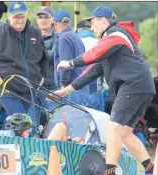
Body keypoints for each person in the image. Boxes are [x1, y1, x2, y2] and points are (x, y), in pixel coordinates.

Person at [50, 6, 155, 175]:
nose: (91, 28)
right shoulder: (110, 44)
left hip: (133, 85)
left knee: (113, 127)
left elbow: (92, 54)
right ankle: (150, 169)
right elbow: (93, 71)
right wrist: (66, 90)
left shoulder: (115, 34)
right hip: (143, 87)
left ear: (103, 20)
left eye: (92, 23)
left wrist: (70, 63)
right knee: (125, 132)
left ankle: (109, 171)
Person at [0, 1, 49, 137]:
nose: (19, 20)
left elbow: (45, 59)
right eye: (16, 17)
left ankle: (15, 154)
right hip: (8, 89)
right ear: (8, 16)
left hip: (30, 90)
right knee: (23, 126)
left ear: (26, 15)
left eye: (22, 17)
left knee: (26, 129)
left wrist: (42, 76)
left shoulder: (35, 32)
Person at [52, 9, 89, 106]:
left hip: (71, 88)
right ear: (69, 22)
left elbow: (65, 64)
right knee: (80, 120)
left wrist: (63, 86)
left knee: (70, 120)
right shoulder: (76, 36)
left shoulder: (63, 37)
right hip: (81, 86)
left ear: (55, 23)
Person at [76, 19, 105, 112]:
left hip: (76, 88)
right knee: (97, 121)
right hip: (95, 88)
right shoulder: (99, 43)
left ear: (78, 30)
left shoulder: (73, 42)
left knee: (79, 121)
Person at [35, 6, 58, 115]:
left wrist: (34, 54)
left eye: (46, 17)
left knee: (54, 120)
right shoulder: (31, 34)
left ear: (52, 20)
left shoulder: (57, 36)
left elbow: (54, 54)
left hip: (50, 88)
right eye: (40, 17)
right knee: (31, 123)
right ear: (37, 20)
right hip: (33, 86)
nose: (43, 20)